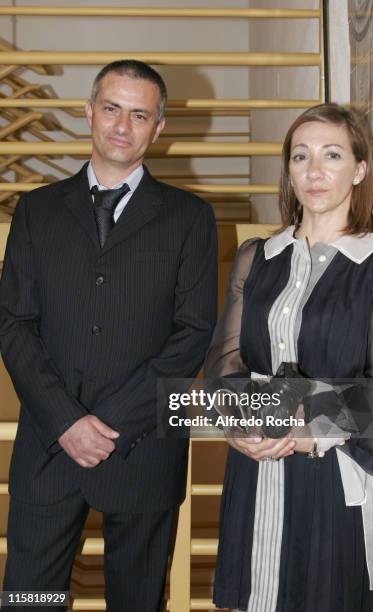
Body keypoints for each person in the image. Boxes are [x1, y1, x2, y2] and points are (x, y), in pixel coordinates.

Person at [0, 60, 217, 611]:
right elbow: (13, 323)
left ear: (158, 127)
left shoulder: (190, 217)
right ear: (89, 112)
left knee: (138, 604)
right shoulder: (36, 210)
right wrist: (68, 421)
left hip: (142, 452)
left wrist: (112, 424)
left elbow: (193, 334)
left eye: (139, 114)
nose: (123, 125)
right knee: (28, 600)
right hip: (49, 448)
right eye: (112, 108)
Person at [204, 103, 373, 612]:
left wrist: (302, 422)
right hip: (255, 467)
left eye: (332, 155)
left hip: (332, 475)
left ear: (360, 170)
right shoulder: (257, 256)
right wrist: (238, 423)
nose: (314, 171)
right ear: (288, 170)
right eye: (301, 156)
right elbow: (224, 363)